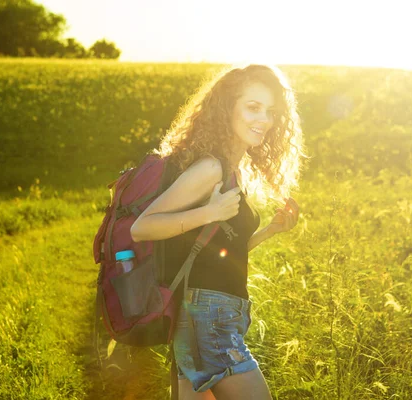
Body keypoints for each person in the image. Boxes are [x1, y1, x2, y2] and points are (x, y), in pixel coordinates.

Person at [130, 64, 304, 400]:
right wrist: (209, 211)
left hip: (215, 315)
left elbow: (219, 253)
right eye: (253, 107)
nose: (264, 120)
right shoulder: (210, 168)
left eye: (270, 111)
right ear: (228, 108)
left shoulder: (232, 171)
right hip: (207, 318)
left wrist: (269, 230)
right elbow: (143, 227)